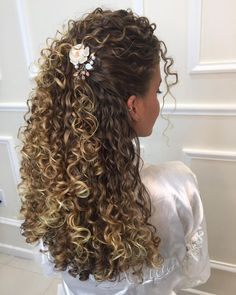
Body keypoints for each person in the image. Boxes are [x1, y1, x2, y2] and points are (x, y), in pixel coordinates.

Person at [17, 7, 211, 295]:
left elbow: (49, 267)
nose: (159, 102)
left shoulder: (49, 188)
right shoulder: (177, 189)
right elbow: (193, 272)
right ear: (132, 106)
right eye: (156, 92)